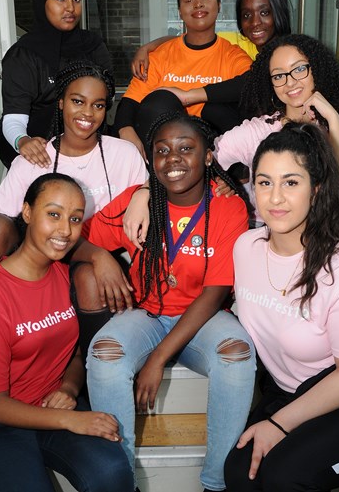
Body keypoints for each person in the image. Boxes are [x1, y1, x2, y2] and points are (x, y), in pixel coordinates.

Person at [73, 112, 256, 492]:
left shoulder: (229, 207)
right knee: (104, 354)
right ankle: (120, 480)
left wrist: (157, 360)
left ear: (208, 157)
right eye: (162, 151)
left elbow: (215, 293)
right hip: (148, 316)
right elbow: (73, 236)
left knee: (238, 356)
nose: (173, 159)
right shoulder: (136, 202)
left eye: (186, 149)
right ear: (151, 161)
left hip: (203, 321)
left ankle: (216, 483)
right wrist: (100, 256)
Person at [225, 124, 339, 492]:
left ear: (315, 189)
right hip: (288, 391)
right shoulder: (245, 248)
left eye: (291, 183)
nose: (275, 198)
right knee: (238, 474)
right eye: (264, 182)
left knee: (284, 475)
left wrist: (280, 424)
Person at [0, 173, 134, 492]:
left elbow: (76, 351)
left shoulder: (65, 276)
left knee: (112, 472)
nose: (65, 230)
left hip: (51, 404)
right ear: (26, 213)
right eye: (53, 214)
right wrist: (72, 419)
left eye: (75, 219)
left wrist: (70, 388)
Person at [121, 34, 339, 241]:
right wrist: (145, 191)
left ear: (318, 69)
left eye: (299, 69)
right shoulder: (259, 131)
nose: (290, 82)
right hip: (266, 235)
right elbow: (192, 159)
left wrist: (333, 121)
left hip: (319, 236)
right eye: (278, 75)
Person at [0, 60, 148, 295]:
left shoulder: (124, 153)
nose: (87, 113)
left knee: (89, 277)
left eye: (98, 105)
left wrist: (145, 191)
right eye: (77, 101)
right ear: (61, 103)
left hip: (103, 257)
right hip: (45, 258)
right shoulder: (34, 158)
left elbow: (148, 206)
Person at [113, 0, 253, 159]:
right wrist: (125, 131)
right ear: (179, 11)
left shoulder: (232, 55)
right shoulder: (161, 55)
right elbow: (130, 102)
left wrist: (188, 96)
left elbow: (251, 83)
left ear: (219, 5)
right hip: (166, 150)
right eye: (188, 0)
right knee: (160, 100)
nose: (198, 4)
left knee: (218, 109)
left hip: (214, 150)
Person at [130, 0, 292, 133]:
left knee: (213, 109)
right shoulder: (245, 42)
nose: (255, 22)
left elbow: (251, 80)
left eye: (264, 12)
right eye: (246, 15)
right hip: (215, 133)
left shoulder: (290, 53)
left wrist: (189, 96)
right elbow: (190, 40)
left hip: (278, 134)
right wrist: (148, 47)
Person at [0, 0, 112, 169]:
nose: (70, 7)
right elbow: (14, 117)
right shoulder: (23, 54)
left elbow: (104, 101)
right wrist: (22, 141)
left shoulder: (93, 45)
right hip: (36, 146)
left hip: (85, 140)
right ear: (43, 1)